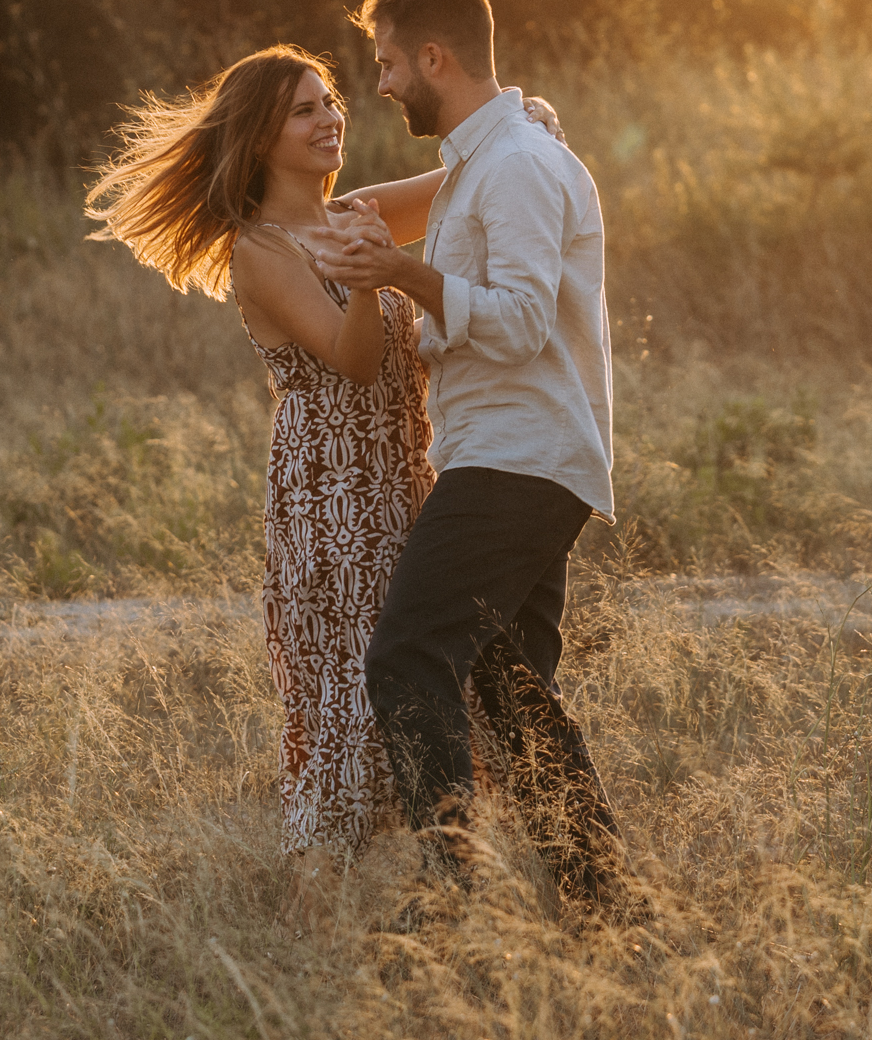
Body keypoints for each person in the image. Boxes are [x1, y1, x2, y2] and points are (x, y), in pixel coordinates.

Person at [83, 45, 565, 923]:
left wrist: (520, 120)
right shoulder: (260, 249)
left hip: (399, 479)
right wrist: (367, 271)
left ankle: (452, 894)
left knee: (412, 683)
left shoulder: (355, 213)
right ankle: (309, 941)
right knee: (347, 706)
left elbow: (459, 176)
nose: (330, 117)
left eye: (331, 101)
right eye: (304, 109)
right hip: (328, 495)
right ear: (264, 136)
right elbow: (351, 360)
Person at [312, 0, 628, 910]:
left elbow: (525, 320)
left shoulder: (521, 166)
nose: (380, 86)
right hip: (509, 450)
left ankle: (451, 893)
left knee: (405, 650)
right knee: (509, 688)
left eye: (388, 64)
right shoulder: (479, 166)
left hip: (518, 456)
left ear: (435, 57)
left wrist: (402, 274)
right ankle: (604, 902)